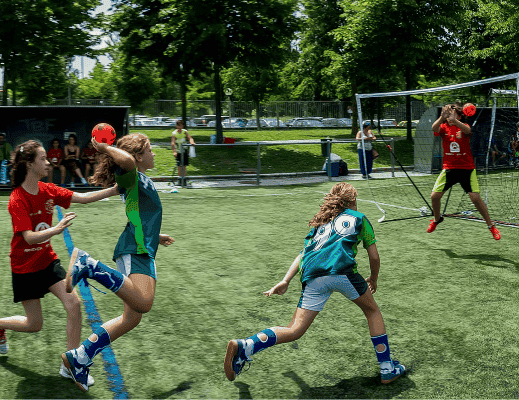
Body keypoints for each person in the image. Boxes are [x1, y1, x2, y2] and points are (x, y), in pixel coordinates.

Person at [223, 182, 406, 384]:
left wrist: (286, 280)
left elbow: (303, 254)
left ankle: (246, 345)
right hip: (342, 271)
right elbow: (374, 256)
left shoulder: (321, 223)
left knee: (294, 330)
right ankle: (387, 368)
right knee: (372, 311)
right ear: (353, 200)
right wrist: (374, 278)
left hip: (313, 276)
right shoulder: (359, 218)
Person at [0, 140, 119, 387]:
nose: (48, 161)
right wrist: (56, 229)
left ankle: (69, 364)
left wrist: (114, 190)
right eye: (42, 158)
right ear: (29, 164)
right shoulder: (17, 198)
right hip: (24, 267)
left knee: (74, 304)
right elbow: (28, 236)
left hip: (46, 261)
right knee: (34, 324)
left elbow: (82, 198)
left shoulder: (48, 189)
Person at [61, 133, 175, 392]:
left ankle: (80, 357)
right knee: (144, 303)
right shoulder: (131, 173)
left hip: (141, 245)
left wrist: (157, 235)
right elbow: (127, 163)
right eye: (149, 149)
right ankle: (88, 265)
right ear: (137, 156)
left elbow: (134, 210)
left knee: (131, 318)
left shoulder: (136, 180)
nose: (154, 154)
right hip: (136, 248)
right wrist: (103, 147)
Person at [427, 103, 500, 240]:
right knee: (434, 196)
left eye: (451, 114)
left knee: (475, 198)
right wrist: (442, 118)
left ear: (459, 115)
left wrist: (456, 121)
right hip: (449, 168)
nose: (449, 116)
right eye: (447, 114)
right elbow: (434, 128)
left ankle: (491, 226)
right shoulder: (443, 127)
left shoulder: (464, 126)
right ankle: (437, 219)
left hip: (467, 169)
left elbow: (467, 131)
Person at [171, 120, 196, 187]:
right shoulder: (174, 133)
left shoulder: (185, 132)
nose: (180, 127)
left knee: (184, 165)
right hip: (178, 150)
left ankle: (184, 179)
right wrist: (174, 151)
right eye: (178, 125)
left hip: (184, 150)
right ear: (176, 126)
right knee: (179, 165)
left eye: (181, 125)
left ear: (183, 126)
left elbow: (190, 138)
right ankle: (179, 179)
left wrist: (192, 142)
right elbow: (173, 143)